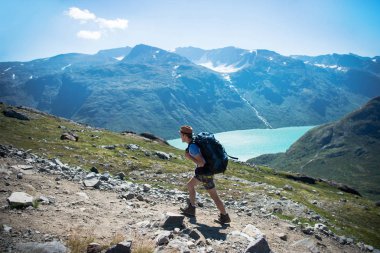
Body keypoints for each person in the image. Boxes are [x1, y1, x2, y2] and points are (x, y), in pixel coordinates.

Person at [179, 125, 231, 224]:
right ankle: (224, 216)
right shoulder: (195, 142)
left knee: (192, 186)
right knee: (212, 195)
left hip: (204, 173)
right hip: (208, 172)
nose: (180, 136)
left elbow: (201, 163)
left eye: (181, 134)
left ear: (185, 136)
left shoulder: (192, 147)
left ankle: (192, 209)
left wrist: (188, 157)